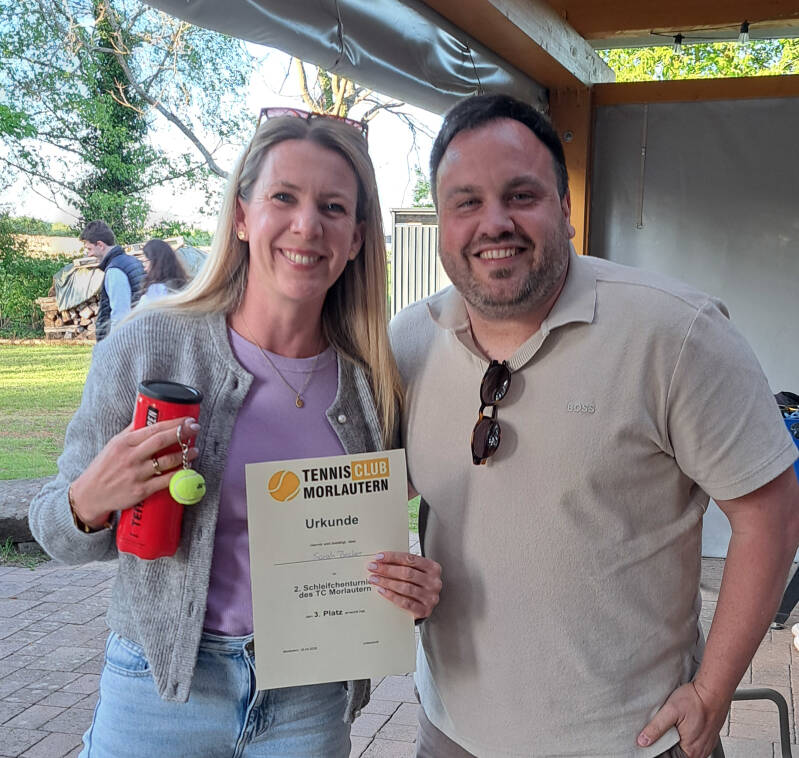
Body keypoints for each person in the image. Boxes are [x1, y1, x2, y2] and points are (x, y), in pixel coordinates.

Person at [389, 93, 799, 758]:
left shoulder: (675, 335)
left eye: (521, 195)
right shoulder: (407, 344)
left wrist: (713, 690)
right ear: (440, 222)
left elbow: (771, 513)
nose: (494, 222)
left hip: (631, 742)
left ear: (565, 208)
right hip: (450, 734)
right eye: (465, 202)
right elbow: (371, 496)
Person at [30, 109, 442, 758]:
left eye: (333, 207)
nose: (307, 225)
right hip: (161, 688)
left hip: (308, 696)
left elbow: (374, 534)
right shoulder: (150, 343)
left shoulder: (375, 381)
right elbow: (53, 530)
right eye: (284, 197)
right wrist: (89, 500)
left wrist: (406, 587)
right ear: (243, 216)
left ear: (357, 238)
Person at [79, 220, 145, 340]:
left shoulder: (115, 270)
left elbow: (120, 317)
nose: (89, 254)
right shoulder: (132, 262)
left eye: (89, 249)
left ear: (100, 245)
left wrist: (114, 346)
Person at [137, 238, 189, 306]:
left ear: (155, 262)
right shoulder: (185, 284)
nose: (145, 268)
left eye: (145, 261)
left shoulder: (156, 290)